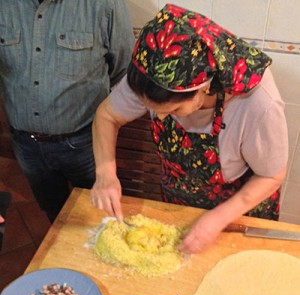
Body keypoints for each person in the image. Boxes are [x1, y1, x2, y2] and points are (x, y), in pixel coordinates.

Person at [90, 3, 288, 253]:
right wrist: (105, 174)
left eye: (172, 111)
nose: (160, 117)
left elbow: (271, 175)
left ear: (203, 88)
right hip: (179, 203)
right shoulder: (152, 75)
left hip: (241, 211)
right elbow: (106, 116)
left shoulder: (258, 103)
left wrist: (217, 219)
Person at [0, 0, 135, 222]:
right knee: (55, 215)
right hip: (26, 145)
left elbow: (123, 70)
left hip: (85, 142)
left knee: (100, 218)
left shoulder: (105, 4)